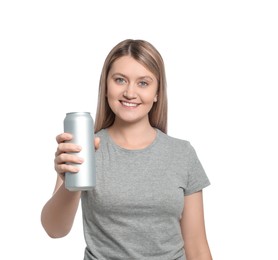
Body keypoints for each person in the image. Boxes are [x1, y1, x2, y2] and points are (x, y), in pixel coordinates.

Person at [41, 39, 212, 260]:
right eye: (120, 80)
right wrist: (69, 181)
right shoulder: (84, 149)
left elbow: (197, 246)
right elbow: (55, 230)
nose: (130, 92)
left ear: (157, 92)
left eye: (143, 83)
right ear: (106, 86)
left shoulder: (182, 153)